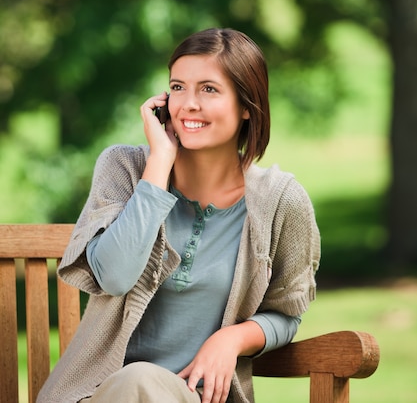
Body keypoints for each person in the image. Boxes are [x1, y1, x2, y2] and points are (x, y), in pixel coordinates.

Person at [38, 27, 320, 403]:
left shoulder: (281, 201)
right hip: (99, 395)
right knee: (137, 381)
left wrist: (232, 339)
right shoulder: (124, 168)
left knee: (141, 381)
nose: (188, 103)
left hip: (196, 397)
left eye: (209, 89)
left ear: (247, 108)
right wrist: (157, 168)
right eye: (177, 87)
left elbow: (287, 313)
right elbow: (115, 277)